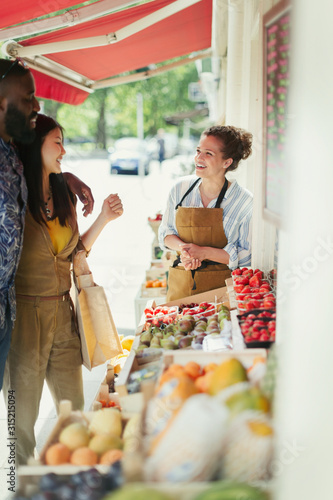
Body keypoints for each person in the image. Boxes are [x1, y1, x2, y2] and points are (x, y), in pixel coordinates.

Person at [3, 114, 123, 465]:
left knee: (73, 411)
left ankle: (72, 476)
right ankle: (17, 481)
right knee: (19, 419)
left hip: (64, 315)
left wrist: (102, 218)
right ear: (35, 144)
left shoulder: (63, 193)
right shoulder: (14, 196)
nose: (64, 150)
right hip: (23, 317)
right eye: (57, 141)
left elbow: (74, 254)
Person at [0, 58, 94, 391]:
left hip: (34, 312)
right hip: (22, 312)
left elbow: (31, 163)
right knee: (16, 425)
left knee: (70, 412)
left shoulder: (12, 158)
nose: (36, 105)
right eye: (28, 97)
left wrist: (64, 176)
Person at [158, 125, 253, 301]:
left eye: (208, 153)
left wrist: (203, 252)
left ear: (227, 162)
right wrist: (185, 251)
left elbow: (245, 256)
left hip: (222, 295)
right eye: (198, 150)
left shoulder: (244, 202)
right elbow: (166, 233)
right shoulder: (180, 189)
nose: (198, 158)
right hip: (180, 288)